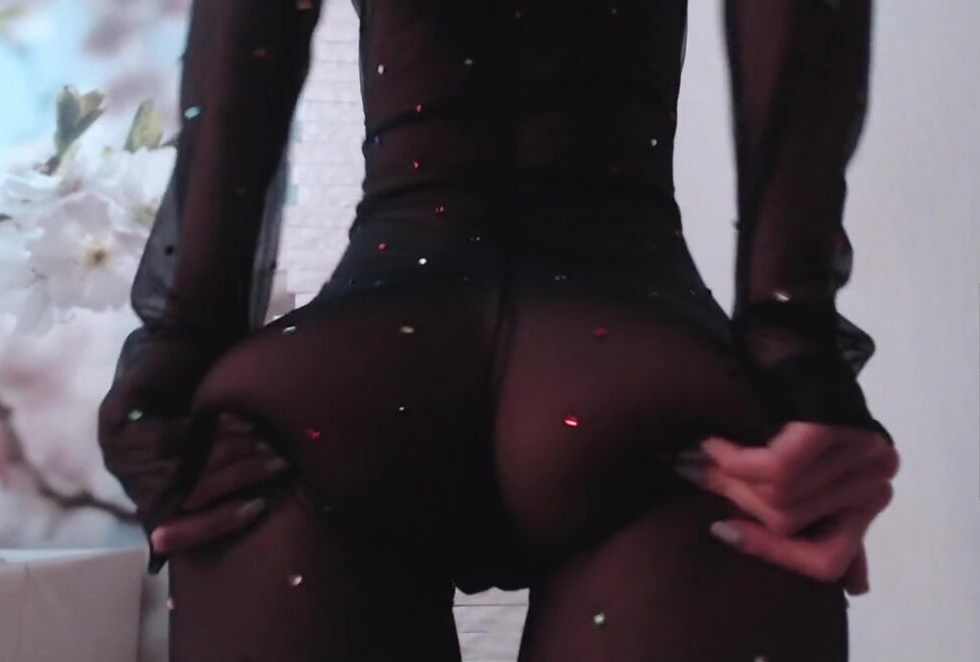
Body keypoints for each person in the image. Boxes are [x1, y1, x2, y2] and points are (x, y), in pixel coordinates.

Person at [98, 1, 899, 660]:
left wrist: (174, 361)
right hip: (639, 359)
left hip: (348, 370)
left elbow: (242, 58)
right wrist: (799, 361)